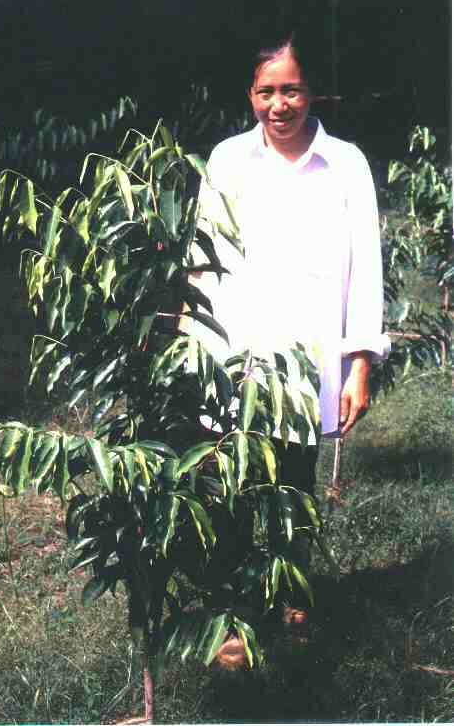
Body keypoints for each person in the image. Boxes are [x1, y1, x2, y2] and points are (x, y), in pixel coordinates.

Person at [186, 37, 390, 636]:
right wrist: (193, 351)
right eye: (266, 91)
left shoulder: (346, 163)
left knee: (292, 486)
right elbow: (202, 259)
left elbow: (366, 269)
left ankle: (289, 593)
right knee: (229, 487)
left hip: (308, 365)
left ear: (314, 91)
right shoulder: (227, 159)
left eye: (292, 89)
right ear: (250, 95)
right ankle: (231, 613)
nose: (280, 105)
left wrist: (360, 365)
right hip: (232, 357)